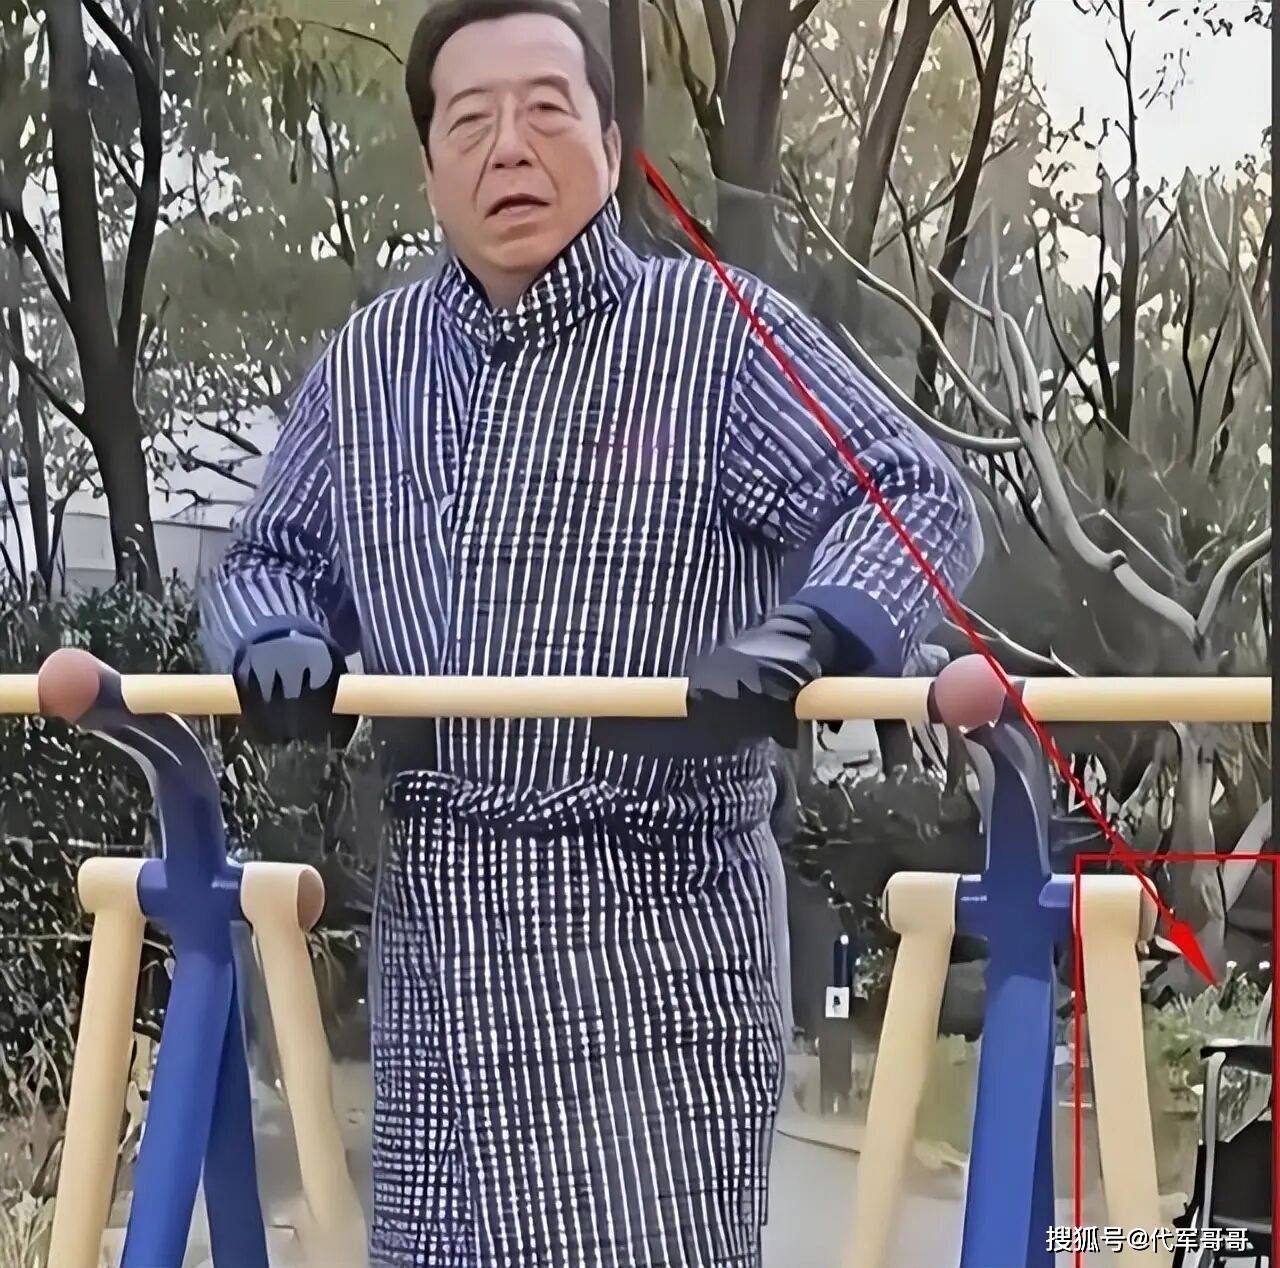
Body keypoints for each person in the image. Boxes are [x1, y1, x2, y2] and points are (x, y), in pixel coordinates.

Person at [199, 1, 983, 1264]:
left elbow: (908, 490)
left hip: (653, 930)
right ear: (431, 169)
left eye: (546, 110)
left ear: (611, 148)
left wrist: (816, 630)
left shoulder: (711, 330)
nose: (509, 147)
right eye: (470, 121)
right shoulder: (369, 363)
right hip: (441, 938)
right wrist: (274, 633)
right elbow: (269, 553)